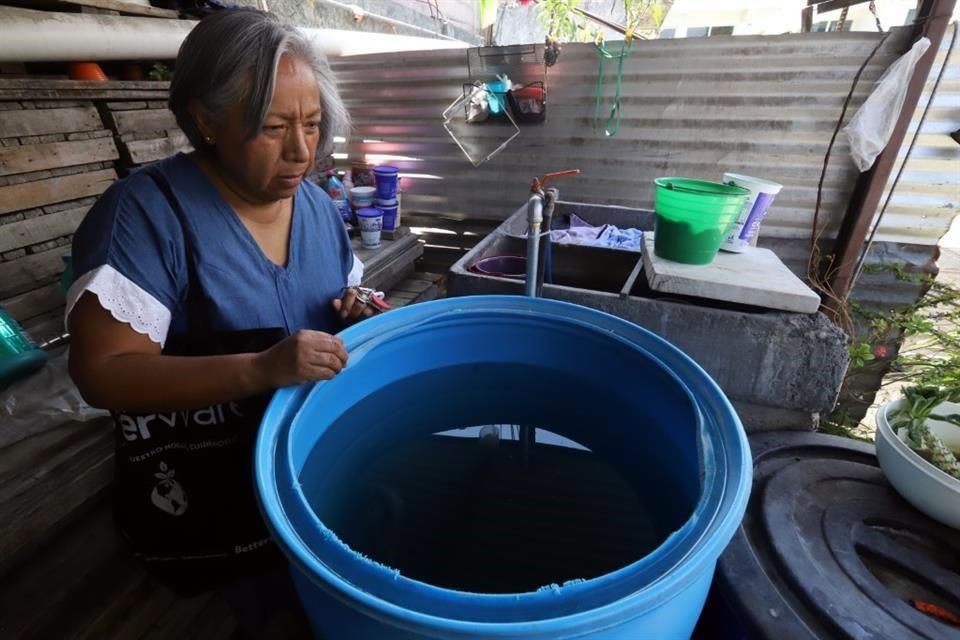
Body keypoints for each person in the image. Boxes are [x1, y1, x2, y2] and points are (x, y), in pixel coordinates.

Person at [66, 8, 369, 634]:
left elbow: (335, 295)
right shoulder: (146, 217)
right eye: (273, 127)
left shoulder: (314, 205)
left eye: (312, 125)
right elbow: (103, 374)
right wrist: (261, 368)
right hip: (212, 501)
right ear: (206, 120)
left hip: (308, 476)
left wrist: (354, 310)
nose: (301, 150)